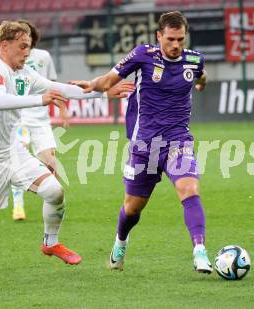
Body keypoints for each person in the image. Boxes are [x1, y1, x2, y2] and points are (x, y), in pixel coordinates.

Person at [0, 21, 133, 277]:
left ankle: (50, 243)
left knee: (54, 191)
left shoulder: (25, 73)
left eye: (29, 47)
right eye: (23, 46)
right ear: (5, 45)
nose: (27, 52)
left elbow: (60, 89)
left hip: (12, 152)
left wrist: (102, 94)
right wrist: (41, 99)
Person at [69, 11, 213, 274]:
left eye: (180, 39)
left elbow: (201, 75)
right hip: (144, 145)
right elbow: (110, 80)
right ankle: (120, 242)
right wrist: (91, 85)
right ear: (159, 36)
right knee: (132, 209)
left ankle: (200, 251)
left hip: (178, 141)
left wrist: (202, 83)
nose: (176, 45)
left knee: (189, 189)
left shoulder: (194, 60)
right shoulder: (143, 55)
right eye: (170, 39)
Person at [11, 20, 61, 221]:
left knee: (51, 163)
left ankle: (51, 203)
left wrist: (63, 111)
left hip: (41, 120)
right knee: (18, 161)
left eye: (27, 37)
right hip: (21, 119)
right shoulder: (12, 62)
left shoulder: (44, 57)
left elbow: (54, 86)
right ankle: (18, 206)